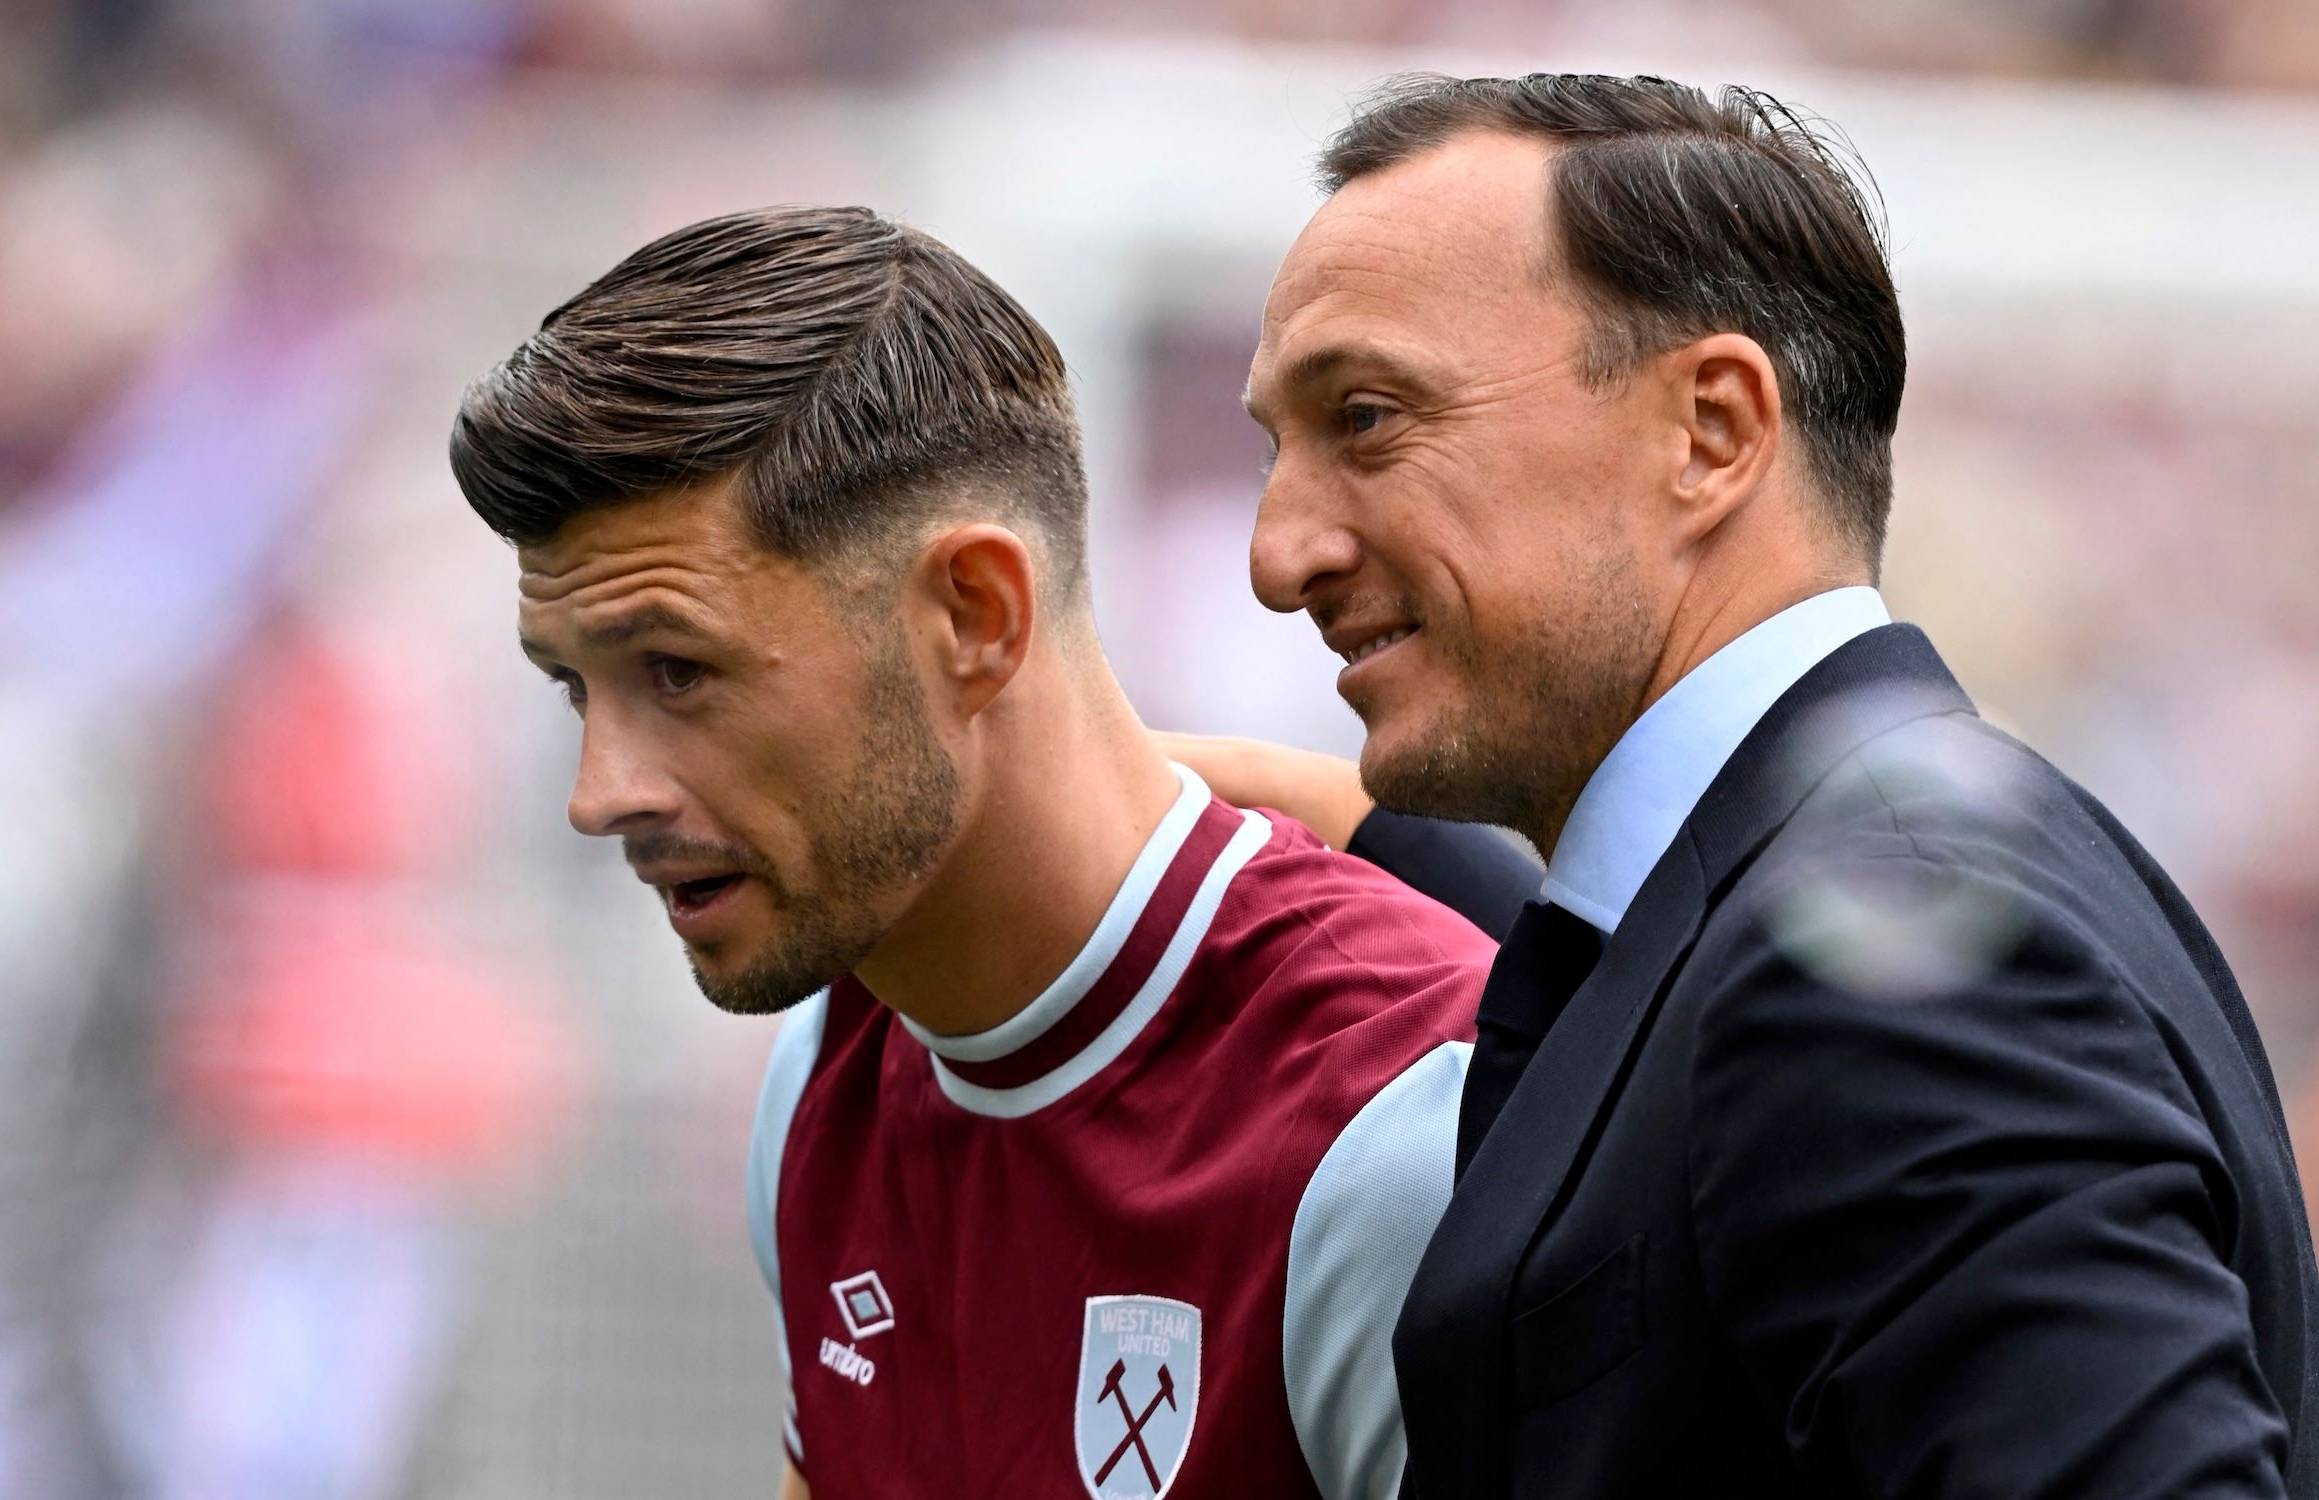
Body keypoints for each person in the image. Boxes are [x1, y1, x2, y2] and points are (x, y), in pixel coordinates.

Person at [1178, 73, 2319, 1498]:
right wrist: (1353, 836)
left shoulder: (1890, 969)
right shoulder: (1842, 899)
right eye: (1275, 449)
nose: (1278, 554)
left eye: (1367, 418)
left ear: (1711, 432)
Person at [447, 206, 1526, 1500]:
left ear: (974, 614)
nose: (601, 795)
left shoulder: (1403, 1138)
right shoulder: (819, 1078)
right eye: (578, 689)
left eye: (678, 673)